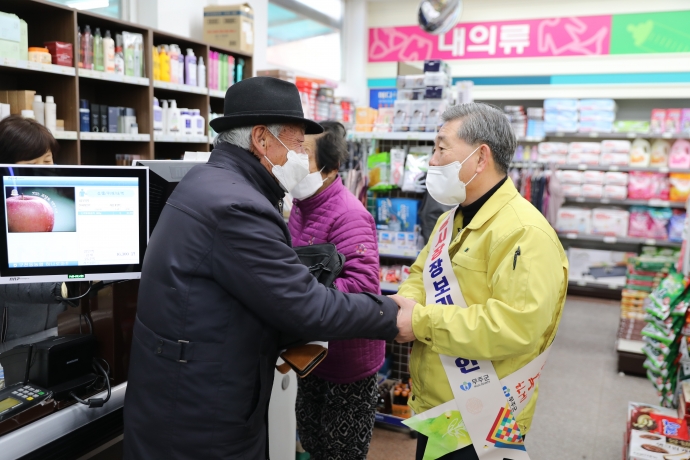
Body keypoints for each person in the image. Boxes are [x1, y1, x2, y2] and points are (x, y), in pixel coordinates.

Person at [123, 77, 404, 460]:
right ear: (262, 139)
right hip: (203, 412)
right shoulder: (238, 206)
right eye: (297, 145)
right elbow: (305, 305)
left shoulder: (207, 182)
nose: (303, 158)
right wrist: (393, 315)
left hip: (184, 392)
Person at [392, 103, 569, 460]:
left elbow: (514, 326)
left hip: (487, 417)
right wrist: (405, 303)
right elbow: (419, 274)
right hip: (438, 409)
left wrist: (419, 321)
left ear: (480, 156)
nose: (432, 160)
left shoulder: (525, 233)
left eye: (442, 147)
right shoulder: (450, 219)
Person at [288, 121, 383, 459]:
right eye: (293, 150)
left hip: (348, 364)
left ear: (331, 167)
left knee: (341, 452)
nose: (294, 160)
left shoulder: (349, 215)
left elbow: (361, 287)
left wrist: (299, 299)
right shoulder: (301, 207)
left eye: (304, 154)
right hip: (312, 355)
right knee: (314, 442)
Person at [0, 115, 65, 344]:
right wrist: (64, 288)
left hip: (57, 333)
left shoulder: (55, 203)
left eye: (47, 162)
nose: (43, 172)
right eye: (30, 165)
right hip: (10, 342)